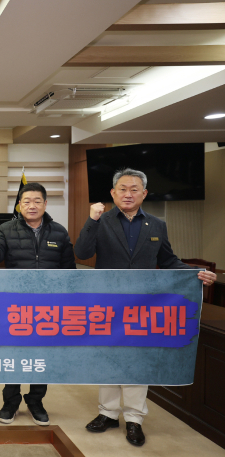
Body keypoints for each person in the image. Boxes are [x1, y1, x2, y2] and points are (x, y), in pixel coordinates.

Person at [75, 168, 217, 447]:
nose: (128, 194)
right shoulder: (101, 220)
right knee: (109, 359)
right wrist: (92, 220)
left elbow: (169, 261)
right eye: (122, 189)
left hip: (143, 306)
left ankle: (134, 419)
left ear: (144, 194)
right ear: (113, 193)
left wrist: (195, 273)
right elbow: (82, 252)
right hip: (109, 304)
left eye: (134, 189)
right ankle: (108, 413)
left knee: (137, 361)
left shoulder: (157, 224)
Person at [0, 182, 75, 426]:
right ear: (19, 205)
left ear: (45, 203)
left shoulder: (59, 232)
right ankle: (10, 402)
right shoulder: (6, 229)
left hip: (48, 307)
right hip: (16, 305)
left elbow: (69, 271)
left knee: (41, 356)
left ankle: (36, 401)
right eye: (26, 201)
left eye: (37, 201)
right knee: (14, 354)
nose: (32, 206)